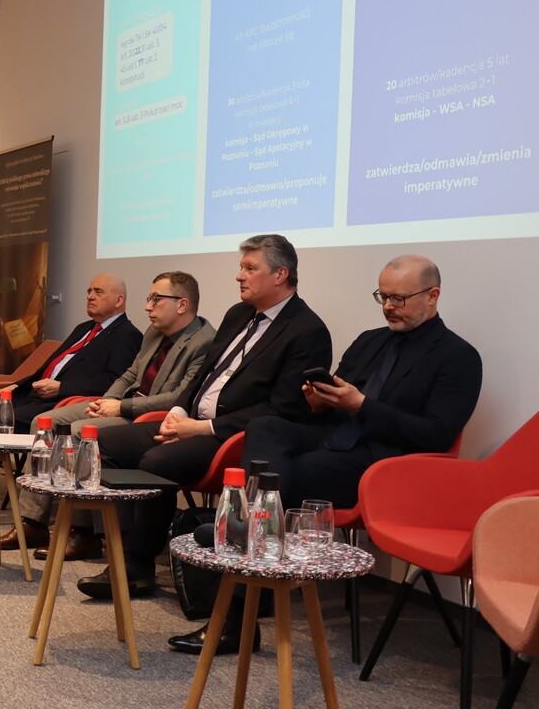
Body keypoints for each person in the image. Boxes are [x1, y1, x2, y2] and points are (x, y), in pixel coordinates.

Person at [166, 254, 483, 656]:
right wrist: (319, 402)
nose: (388, 307)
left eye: (399, 299)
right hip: (331, 440)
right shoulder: (370, 341)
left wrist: (362, 406)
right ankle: (248, 535)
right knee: (265, 428)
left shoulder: (458, 356)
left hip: (382, 465)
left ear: (432, 296)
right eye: (383, 297)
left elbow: (435, 435)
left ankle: (235, 595)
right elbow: (335, 405)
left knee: (279, 479)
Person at [82, 234, 332, 600]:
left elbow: (282, 411)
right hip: (188, 421)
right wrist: (178, 412)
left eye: (250, 268)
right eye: (241, 267)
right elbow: (202, 375)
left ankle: (135, 566)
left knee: (155, 461)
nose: (239, 276)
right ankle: (121, 552)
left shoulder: (307, 331)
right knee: (103, 442)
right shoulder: (237, 314)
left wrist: (201, 427)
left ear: (281, 275)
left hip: (228, 437)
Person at [0, 271, 217, 560]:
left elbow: (177, 397)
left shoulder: (203, 342)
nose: (147, 306)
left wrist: (120, 407)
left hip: (151, 417)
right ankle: (32, 521)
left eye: (155, 299)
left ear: (182, 305)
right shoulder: (154, 332)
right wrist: (107, 400)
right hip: (122, 404)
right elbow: (131, 374)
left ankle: (83, 533)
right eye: (149, 298)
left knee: (80, 431)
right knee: (45, 422)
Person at [0, 273, 145, 530]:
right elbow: (46, 369)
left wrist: (62, 388)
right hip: (34, 394)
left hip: (61, 403)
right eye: (89, 291)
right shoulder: (84, 328)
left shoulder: (127, 335)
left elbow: (113, 383)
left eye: (98, 292)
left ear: (118, 300)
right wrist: (15, 386)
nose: (90, 296)